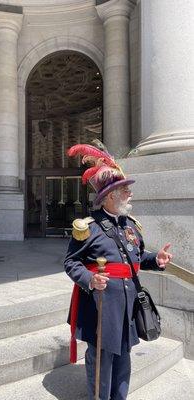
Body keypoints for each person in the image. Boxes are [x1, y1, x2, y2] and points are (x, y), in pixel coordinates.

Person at [64, 143, 173, 400]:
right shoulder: (88, 228)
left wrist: (155, 259)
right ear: (110, 195)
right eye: (126, 190)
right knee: (101, 360)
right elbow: (71, 263)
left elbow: (134, 260)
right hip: (102, 306)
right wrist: (90, 279)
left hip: (128, 306)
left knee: (124, 359)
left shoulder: (130, 226)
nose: (130, 194)